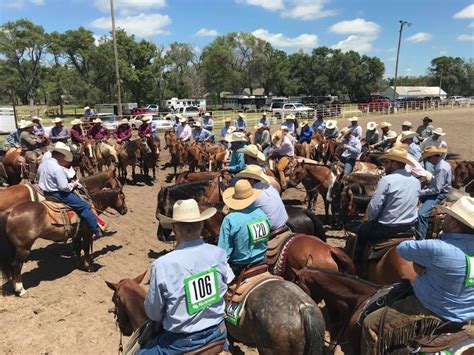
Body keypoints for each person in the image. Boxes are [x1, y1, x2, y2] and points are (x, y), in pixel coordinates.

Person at [360, 196, 474, 355]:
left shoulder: (439, 248)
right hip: (466, 314)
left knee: (370, 324)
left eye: (447, 216)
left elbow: (403, 248)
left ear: (454, 224)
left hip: (432, 311)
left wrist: (422, 262)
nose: (444, 219)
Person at [145, 199, 233, 354]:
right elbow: (228, 284)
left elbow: (153, 313)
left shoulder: (162, 265)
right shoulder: (218, 253)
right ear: (201, 225)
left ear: (174, 228)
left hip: (180, 342)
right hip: (218, 332)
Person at [355, 147, 420, 264]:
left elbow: (375, 206)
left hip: (387, 228)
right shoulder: (416, 181)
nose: (384, 165)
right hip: (409, 228)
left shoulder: (387, 180)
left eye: (386, 162)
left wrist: (369, 220)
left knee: (362, 231)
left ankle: (356, 266)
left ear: (394, 163)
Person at [37, 142, 102, 238]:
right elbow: (64, 187)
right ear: (60, 155)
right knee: (84, 205)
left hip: (45, 193)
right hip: (58, 194)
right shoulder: (57, 168)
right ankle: (96, 229)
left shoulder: (42, 164)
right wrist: (73, 184)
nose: (65, 159)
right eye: (64, 157)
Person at [218, 179, 270, 275]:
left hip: (239, 266)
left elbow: (223, 253)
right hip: (262, 261)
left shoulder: (229, 219)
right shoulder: (261, 213)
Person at [415, 146, 452, 239]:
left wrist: (420, 192)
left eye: (428, 158)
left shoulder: (441, 168)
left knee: (421, 214)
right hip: (437, 191)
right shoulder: (443, 164)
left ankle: (420, 239)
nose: (427, 160)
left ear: (433, 156)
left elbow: (436, 189)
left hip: (439, 195)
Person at [236, 165, 288, 231]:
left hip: (271, 226)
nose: (244, 181)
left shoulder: (252, 193)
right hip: (283, 221)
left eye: (245, 179)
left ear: (251, 180)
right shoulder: (269, 187)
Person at [269, 126, 294, 190]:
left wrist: (270, 152)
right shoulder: (282, 139)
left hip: (287, 155)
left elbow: (277, 149)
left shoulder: (286, 142)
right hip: (281, 153)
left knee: (280, 168)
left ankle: (284, 185)